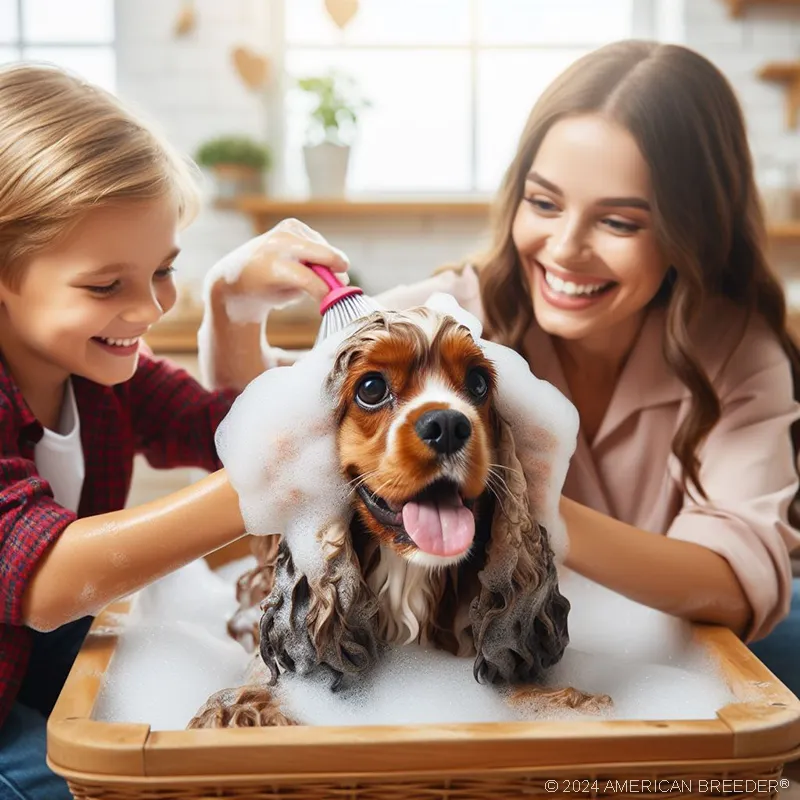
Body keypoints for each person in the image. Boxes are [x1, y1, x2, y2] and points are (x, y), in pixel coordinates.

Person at [249, 40, 800, 696]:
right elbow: (272, 419)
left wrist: (522, 489)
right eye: (543, 204)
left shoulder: (735, 350)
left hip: (657, 668)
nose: (565, 250)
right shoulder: (453, 316)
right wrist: (231, 312)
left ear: (694, 232)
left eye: (619, 222)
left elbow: (736, 587)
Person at [0, 64, 348, 800]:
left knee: (208, 702)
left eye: (164, 270)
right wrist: (261, 483)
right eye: (107, 285)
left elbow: (220, 423)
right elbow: (45, 581)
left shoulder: (101, 371)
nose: (152, 308)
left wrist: (239, 308)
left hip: (30, 657)